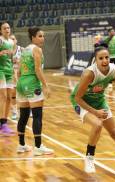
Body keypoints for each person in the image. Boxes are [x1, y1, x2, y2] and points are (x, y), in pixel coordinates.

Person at [70, 43, 115, 173]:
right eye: (101, 58)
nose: (104, 61)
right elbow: (77, 98)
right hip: (81, 102)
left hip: (99, 102)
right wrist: (95, 112)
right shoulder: (89, 74)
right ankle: (89, 158)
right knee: (97, 125)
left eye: (106, 57)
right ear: (95, 60)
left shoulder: (114, 70)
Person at [16, 27, 54, 155]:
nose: (42, 38)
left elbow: (19, 70)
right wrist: (45, 85)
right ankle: (38, 147)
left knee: (23, 115)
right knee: (37, 115)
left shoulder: (25, 49)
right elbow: (38, 69)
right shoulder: (37, 49)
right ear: (33, 37)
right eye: (39, 36)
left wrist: (20, 84)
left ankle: (21, 145)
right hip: (32, 83)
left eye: (43, 36)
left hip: (21, 83)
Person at [0, 22, 15, 136]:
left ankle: (4, 122)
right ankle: (1, 123)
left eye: (8, 28)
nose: (7, 29)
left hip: (9, 70)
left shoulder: (11, 41)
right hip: (1, 71)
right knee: (3, 96)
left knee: (10, 97)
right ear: (1, 30)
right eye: (4, 28)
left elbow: (11, 56)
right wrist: (2, 52)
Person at [10, 34, 23, 120]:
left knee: (24, 93)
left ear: (16, 40)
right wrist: (11, 61)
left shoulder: (22, 49)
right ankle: (14, 112)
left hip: (21, 74)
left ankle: (28, 110)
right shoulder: (6, 51)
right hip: (11, 75)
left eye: (13, 39)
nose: (12, 41)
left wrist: (20, 61)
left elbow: (28, 61)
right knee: (13, 94)